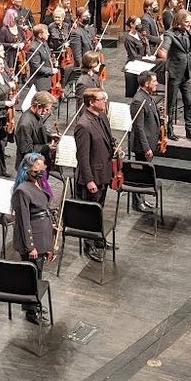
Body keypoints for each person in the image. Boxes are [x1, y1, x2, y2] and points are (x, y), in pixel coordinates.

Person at [11, 153, 54, 324]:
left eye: (42, 168)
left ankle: (34, 302)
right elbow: (23, 221)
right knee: (31, 275)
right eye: (37, 169)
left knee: (39, 273)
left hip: (42, 236)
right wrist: (31, 247)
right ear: (27, 170)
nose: (41, 172)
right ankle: (30, 310)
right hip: (32, 241)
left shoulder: (39, 184)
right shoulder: (22, 190)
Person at [74, 88, 115, 261]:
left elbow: (108, 139)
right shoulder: (83, 125)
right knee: (90, 212)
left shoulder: (102, 117)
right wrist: (89, 180)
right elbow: (82, 157)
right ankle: (88, 245)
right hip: (92, 176)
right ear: (91, 102)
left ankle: (98, 239)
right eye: (102, 99)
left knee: (99, 209)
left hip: (104, 172)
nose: (105, 101)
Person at [160, 9, 191, 141]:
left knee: (189, 101)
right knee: (171, 103)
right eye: (187, 22)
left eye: (190, 21)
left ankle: (190, 131)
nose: (189, 24)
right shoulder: (169, 34)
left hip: (188, 73)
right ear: (179, 21)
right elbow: (166, 44)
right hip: (175, 73)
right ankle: (169, 130)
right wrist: (163, 51)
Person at [128, 71, 162, 214]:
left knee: (143, 173)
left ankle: (141, 199)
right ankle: (137, 202)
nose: (157, 84)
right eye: (154, 81)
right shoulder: (138, 100)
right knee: (139, 174)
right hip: (143, 145)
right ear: (146, 84)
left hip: (150, 142)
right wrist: (146, 147)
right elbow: (139, 127)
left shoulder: (147, 97)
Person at [15, 91, 57, 166]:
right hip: (29, 167)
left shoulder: (37, 114)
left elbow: (38, 131)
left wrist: (50, 135)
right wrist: (47, 147)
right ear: (39, 106)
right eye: (47, 109)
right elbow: (26, 149)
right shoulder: (25, 124)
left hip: (37, 162)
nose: (48, 112)